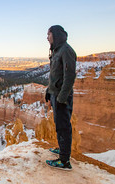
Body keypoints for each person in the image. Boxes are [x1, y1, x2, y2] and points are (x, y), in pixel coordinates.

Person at [45, 25, 77, 171]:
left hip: (62, 96)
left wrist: (62, 97)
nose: (47, 37)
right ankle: (62, 149)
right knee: (59, 125)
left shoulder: (66, 51)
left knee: (63, 126)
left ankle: (64, 161)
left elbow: (69, 77)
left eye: (49, 34)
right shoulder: (57, 50)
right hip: (55, 93)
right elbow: (55, 75)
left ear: (55, 35)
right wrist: (48, 90)